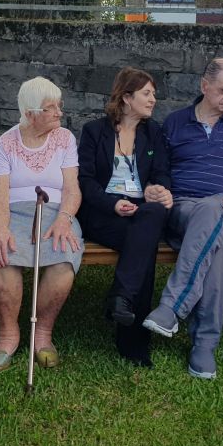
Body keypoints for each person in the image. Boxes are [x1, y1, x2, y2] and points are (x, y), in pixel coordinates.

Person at [141, 58, 223, 380]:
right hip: (181, 208)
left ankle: (171, 308)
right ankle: (204, 346)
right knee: (217, 245)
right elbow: (159, 172)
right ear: (204, 86)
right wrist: (156, 190)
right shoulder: (175, 123)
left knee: (214, 212)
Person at [0, 76, 83, 371]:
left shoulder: (65, 138)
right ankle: (8, 335)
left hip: (56, 212)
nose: (59, 113)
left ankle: (42, 333)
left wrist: (65, 219)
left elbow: (72, 189)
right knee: (4, 261)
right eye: (50, 108)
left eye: (59, 106)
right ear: (29, 114)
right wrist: (1, 229)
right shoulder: (6, 142)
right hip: (14, 212)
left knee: (63, 264)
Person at [77, 67, 172, 367]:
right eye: (147, 93)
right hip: (104, 214)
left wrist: (159, 190)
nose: (153, 99)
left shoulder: (154, 133)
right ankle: (133, 342)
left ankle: (120, 298)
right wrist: (113, 204)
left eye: (153, 94)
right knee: (143, 243)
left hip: (142, 211)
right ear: (127, 97)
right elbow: (85, 181)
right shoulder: (95, 131)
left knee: (151, 216)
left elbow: (161, 175)